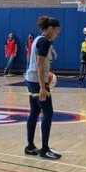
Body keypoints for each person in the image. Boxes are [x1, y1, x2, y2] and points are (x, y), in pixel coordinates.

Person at [25, 16, 62, 160]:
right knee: (48, 113)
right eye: (57, 31)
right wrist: (42, 87)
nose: (57, 34)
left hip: (31, 78)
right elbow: (40, 65)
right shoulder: (45, 41)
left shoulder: (38, 39)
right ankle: (44, 149)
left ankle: (30, 147)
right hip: (37, 81)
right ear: (50, 29)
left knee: (34, 111)